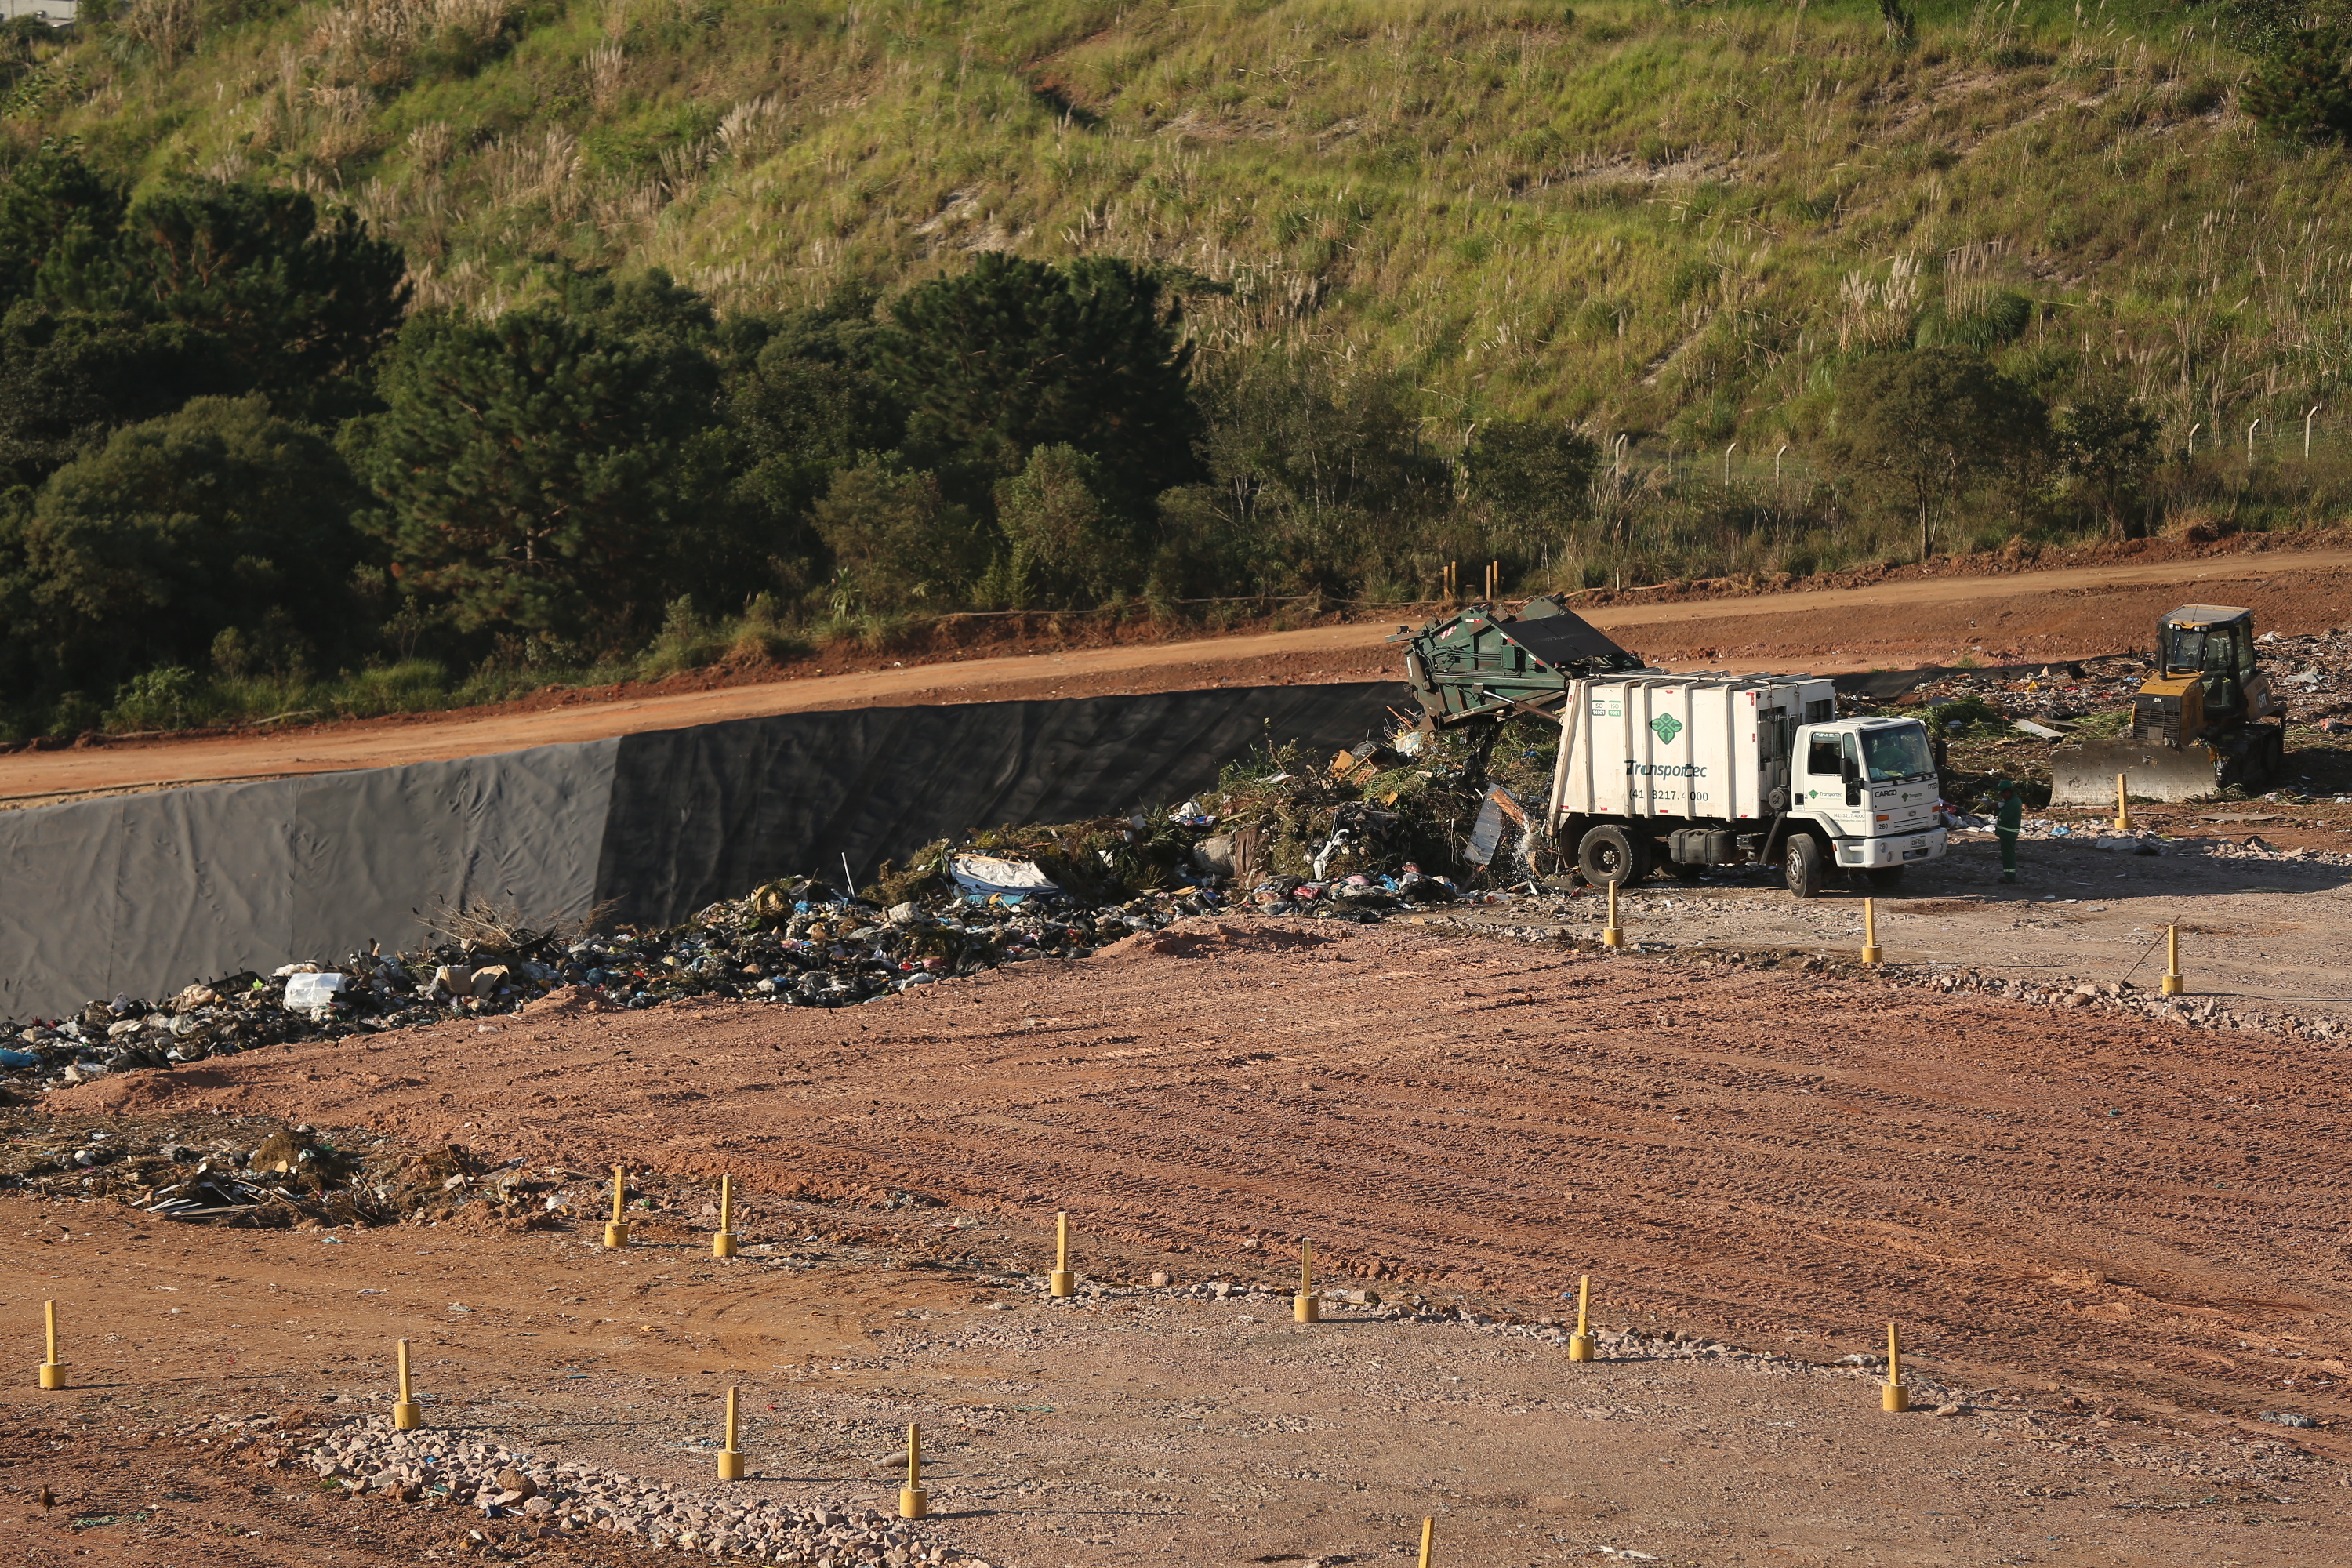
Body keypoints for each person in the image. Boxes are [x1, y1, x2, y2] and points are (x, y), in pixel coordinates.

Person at [1993, 779, 2023, 883]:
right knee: (2007, 854)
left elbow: (2004, 817)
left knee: (2008, 855)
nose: (2001, 796)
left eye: (2002, 793)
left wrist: (1998, 809)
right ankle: (2008, 875)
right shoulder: (2011, 801)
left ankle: (2010, 877)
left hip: (2008, 833)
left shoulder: (2013, 803)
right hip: (2007, 833)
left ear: (2008, 791)